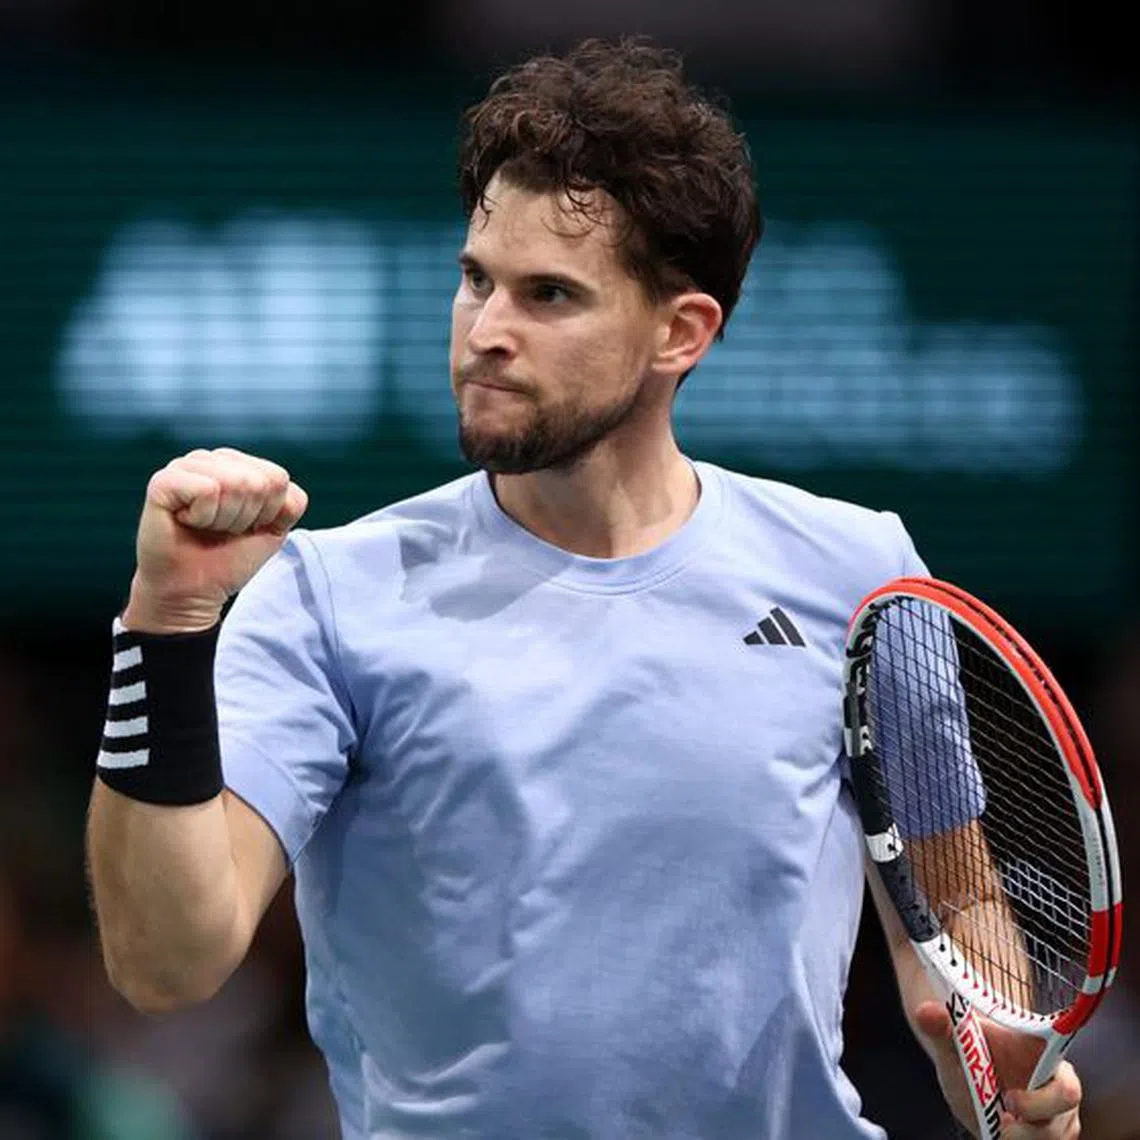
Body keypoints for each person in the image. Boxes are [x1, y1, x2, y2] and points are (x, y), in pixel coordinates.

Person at [86, 37, 1084, 1140]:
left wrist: (994, 1048)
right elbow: (163, 962)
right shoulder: (331, 592)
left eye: (549, 295)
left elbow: (953, 901)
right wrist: (166, 626)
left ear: (681, 333)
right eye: (476, 280)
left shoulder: (862, 571)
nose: (487, 334)